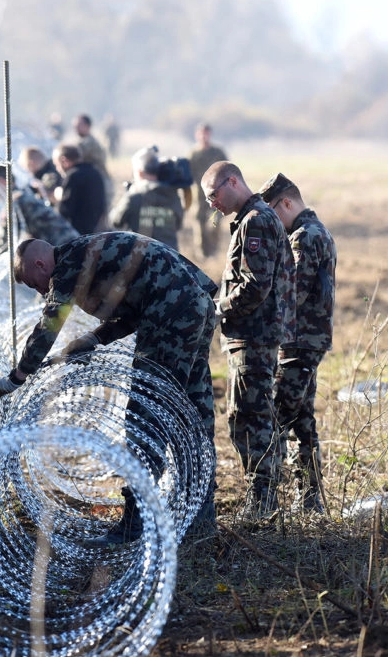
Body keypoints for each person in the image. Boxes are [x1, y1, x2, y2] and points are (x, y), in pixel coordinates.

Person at [0, 233, 219, 545]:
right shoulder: (90, 253)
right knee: (193, 411)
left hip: (171, 316)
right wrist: (95, 338)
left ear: (40, 264)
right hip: (194, 305)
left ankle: (134, 522)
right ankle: (201, 515)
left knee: (146, 414)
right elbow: (134, 309)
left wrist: (17, 377)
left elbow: (50, 324)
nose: (39, 291)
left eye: (32, 282)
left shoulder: (69, 264)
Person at [201, 161, 294, 520]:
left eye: (214, 195)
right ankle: (265, 500)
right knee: (253, 416)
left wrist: (217, 310)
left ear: (233, 182)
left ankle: (263, 504)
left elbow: (255, 285)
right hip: (251, 335)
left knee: (248, 419)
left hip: (253, 336)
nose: (212, 205)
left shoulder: (255, 220)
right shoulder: (251, 219)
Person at [258, 173, 336, 513]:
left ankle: (265, 500)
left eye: (274, 212)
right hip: (307, 342)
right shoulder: (316, 232)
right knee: (303, 423)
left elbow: (293, 292)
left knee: (275, 419)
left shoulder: (305, 237)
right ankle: (309, 501)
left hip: (300, 343)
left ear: (286, 203)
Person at [109, 146, 184, 250]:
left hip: (140, 258)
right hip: (170, 258)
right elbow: (178, 224)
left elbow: (115, 220)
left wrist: (129, 193)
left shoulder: (134, 196)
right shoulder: (173, 195)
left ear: (139, 172)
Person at [0, 164, 80, 248]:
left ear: (3, 181)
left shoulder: (15, 202)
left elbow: (4, 241)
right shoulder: (24, 195)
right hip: (72, 243)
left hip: (63, 247)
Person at [183, 123, 229, 260]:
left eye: (206, 133)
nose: (204, 136)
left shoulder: (218, 152)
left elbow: (227, 169)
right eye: (201, 133)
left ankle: (213, 253)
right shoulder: (193, 154)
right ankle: (202, 256)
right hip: (198, 197)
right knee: (199, 228)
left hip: (216, 197)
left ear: (210, 134)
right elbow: (186, 176)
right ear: (197, 135)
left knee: (214, 224)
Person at [52, 143, 107, 235]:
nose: (57, 169)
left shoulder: (73, 176)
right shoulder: (95, 172)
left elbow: (64, 211)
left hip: (78, 232)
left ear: (64, 161)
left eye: (57, 164)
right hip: (95, 230)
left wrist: (60, 197)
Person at [69, 113, 113, 202]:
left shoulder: (87, 143)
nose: (75, 128)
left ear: (87, 126)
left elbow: (73, 155)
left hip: (99, 183)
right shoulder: (89, 141)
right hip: (97, 183)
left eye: (78, 125)